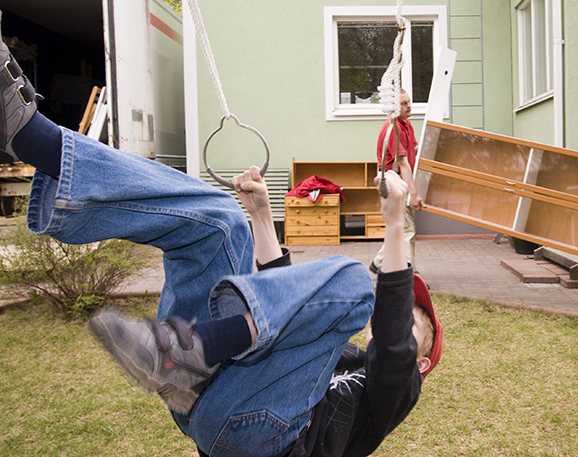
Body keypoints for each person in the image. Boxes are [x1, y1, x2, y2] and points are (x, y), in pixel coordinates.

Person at [0, 31, 443, 457]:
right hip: (205, 398)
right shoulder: (341, 352)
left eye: (413, 325)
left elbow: (390, 344)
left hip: (262, 439)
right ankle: (35, 140)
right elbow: (282, 296)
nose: (400, 318)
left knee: (354, 285)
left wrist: (393, 225)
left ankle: (189, 350)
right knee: (219, 219)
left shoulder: (397, 391)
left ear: (421, 363)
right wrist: (261, 217)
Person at [370, 88, 424, 274]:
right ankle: (409, 275)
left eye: (409, 102)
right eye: (403, 104)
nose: (408, 106)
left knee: (401, 227)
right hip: (395, 182)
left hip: (401, 180)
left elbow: (414, 149)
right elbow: (404, 164)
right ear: (394, 107)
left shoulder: (406, 124)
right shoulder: (394, 129)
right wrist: (414, 194)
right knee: (407, 230)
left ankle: (379, 262)